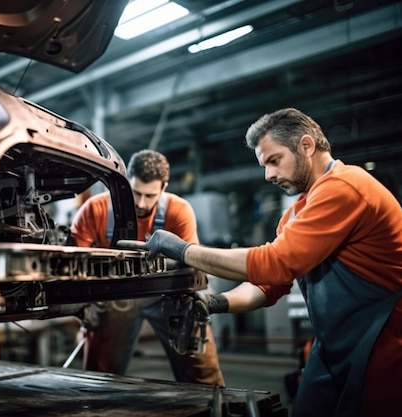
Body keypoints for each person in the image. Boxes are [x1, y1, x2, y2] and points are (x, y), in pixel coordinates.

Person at [138, 108, 402, 416]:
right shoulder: (295, 214)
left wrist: (184, 250)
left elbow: (277, 262)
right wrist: (214, 303)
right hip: (333, 345)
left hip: (384, 343)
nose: (268, 175)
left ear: (306, 146)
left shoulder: (346, 186)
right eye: (264, 165)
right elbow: (269, 283)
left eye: (274, 161)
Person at [71, 149, 225, 386]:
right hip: (116, 298)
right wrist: (82, 310)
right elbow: (75, 267)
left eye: (150, 195)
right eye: (135, 192)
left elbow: (192, 263)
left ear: (163, 188)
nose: (141, 203)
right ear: (126, 182)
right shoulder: (95, 209)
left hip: (168, 295)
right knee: (99, 377)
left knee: (202, 373)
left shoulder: (178, 210)